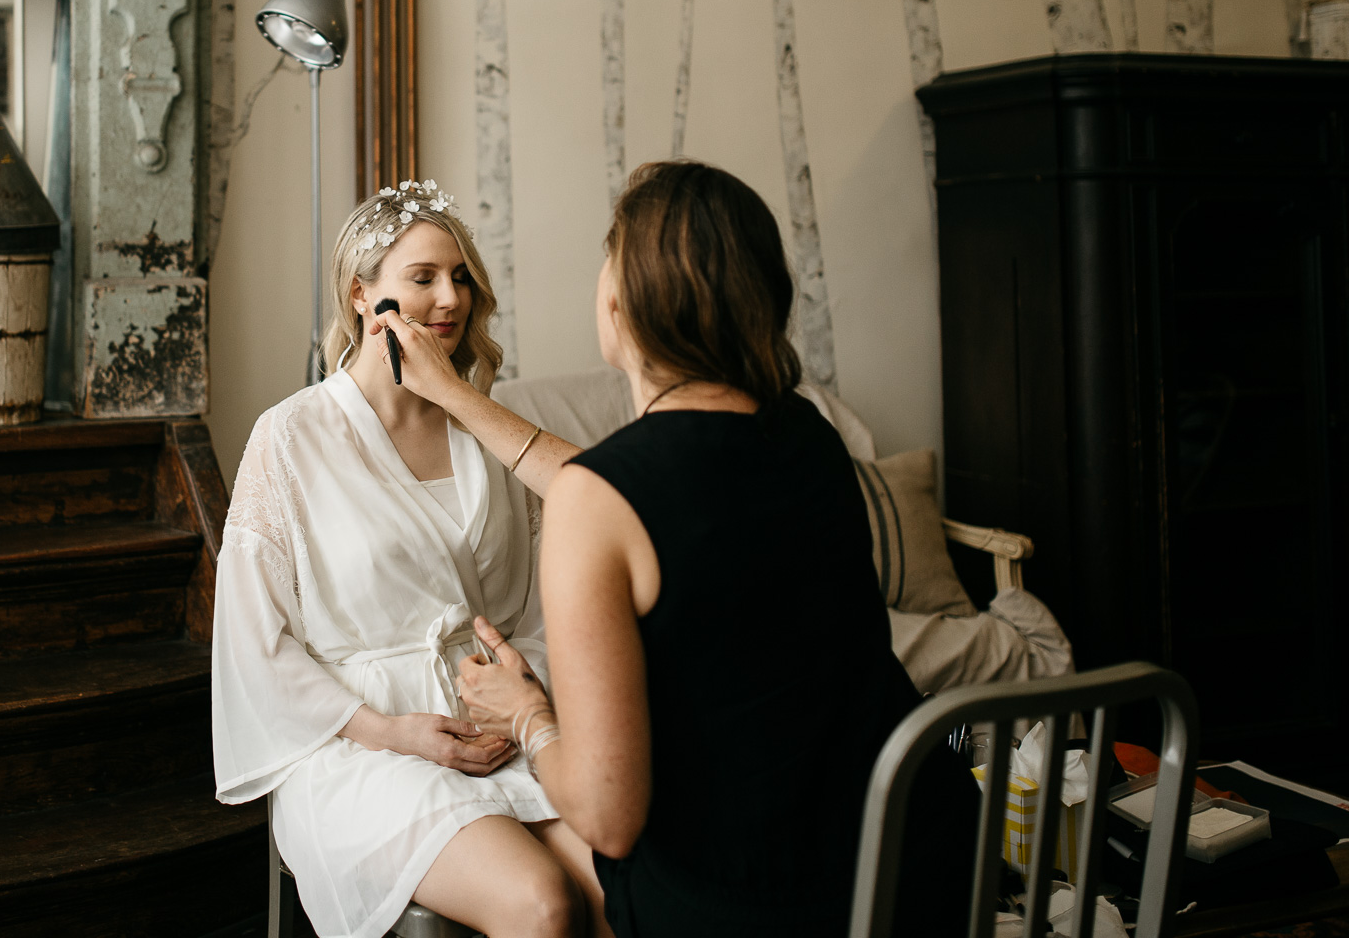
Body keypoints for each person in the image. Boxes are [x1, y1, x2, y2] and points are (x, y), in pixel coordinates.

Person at [375, 160, 976, 937]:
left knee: (535, 883)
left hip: (761, 908)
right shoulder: (810, 439)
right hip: (917, 861)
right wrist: (457, 396)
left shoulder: (605, 501)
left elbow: (608, 819)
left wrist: (529, 714)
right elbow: (619, 485)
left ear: (619, 305)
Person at [211, 179, 609, 938]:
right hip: (363, 749)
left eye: (459, 277)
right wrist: (393, 731)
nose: (450, 298)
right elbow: (254, 647)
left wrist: (523, 708)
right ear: (363, 296)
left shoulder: (485, 429)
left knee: (617, 884)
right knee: (542, 904)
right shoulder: (291, 438)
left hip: (497, 730)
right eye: (422, 278)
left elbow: (539, 609)